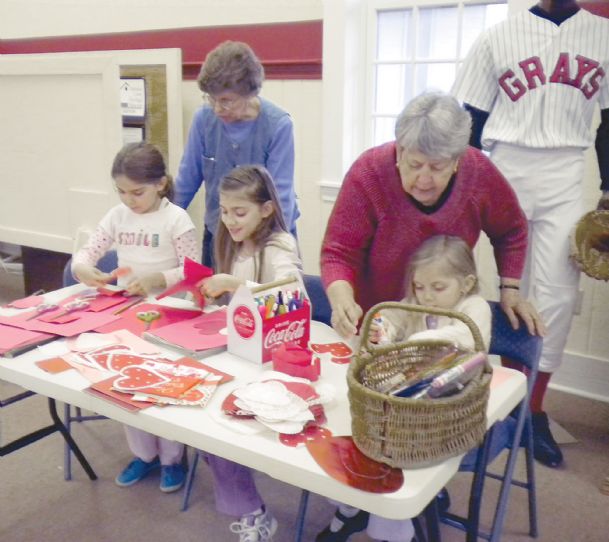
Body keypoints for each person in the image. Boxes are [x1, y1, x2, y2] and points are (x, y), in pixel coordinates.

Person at [451, 0, 609, 468]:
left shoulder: (603, 35)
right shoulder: (497, 36)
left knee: (558, 295)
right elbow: (471, 121)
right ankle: (498, 398)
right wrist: (464, 185)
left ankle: (533, 410)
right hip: (504, 167)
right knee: (486, 287)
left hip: (566, 169)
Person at [320, 90, 543, 340]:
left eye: (437, 167)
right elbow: (339, 253)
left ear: (457, 160)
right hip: (378, 320)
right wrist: (342, 302)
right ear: (400, 152)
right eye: (414, 165)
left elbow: (511, 229)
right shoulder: (368, 173)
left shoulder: (479, 173)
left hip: (441, 324)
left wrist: (510, 288)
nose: (424, 179)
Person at [318, 235, 492, 542]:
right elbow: (391, 319)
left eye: (438, 288)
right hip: (406, 404)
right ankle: (351, 506)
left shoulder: (474, 306)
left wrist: (414, 342)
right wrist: (381, 332)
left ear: (465, 283)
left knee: (396, 455)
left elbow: (467, 336)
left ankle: (392, 529)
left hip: (448, 412)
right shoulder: (415, 304)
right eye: (419, 287)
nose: (427, 297)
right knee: (357, 433)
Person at [71, 141, 199, 492]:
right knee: (124, 382)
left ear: (160, 184)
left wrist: (160, 279)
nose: (129, 200)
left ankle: (173, 458)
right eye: (122, 192)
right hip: (125, 312)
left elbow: (193, 272)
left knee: (162, 387)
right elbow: (89, 249)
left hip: (168, 314)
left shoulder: (177, 219)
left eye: (137, 192)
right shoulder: (117, 215)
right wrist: (82, 266)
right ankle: (144, 455)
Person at [198, 164, 302, 542]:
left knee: (219, 430)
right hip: (238, 350)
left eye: (239, 212)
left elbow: (291, 295)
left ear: (266, 209)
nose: (229, 220)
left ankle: (250, 511)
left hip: (273, 359)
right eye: (224, 211)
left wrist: (235, 283)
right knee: (203, 424)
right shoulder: (229, 243)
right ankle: (244, 500)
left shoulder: (279, 246)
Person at [174, 40, 299, 268]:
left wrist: (271, 252)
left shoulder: (278, 125)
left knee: (262, 300)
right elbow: (186, 181)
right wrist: (163, 223)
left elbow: (281, 197)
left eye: (226, 101)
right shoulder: (203, 119)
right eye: (211, 99)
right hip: (220, 235)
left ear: (250, 93)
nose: (217, 108)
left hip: (266, 238)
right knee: (215, 301)